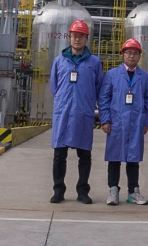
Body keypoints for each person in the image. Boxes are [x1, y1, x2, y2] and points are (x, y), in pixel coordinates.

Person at [49, 19, 103, 204]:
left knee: (84, 155)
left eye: (80, 36)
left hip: (83, 114)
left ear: (86, 38)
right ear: (69, 37)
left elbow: (99, 87)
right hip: (63, 113)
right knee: (59, 155)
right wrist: (64, 102)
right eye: (74, 35)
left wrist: (86, 103)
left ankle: (82, 191)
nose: (77, 39)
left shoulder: (94, 62)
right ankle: (58, 190)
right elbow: (54, 86)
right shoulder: (59, 61)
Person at [99, 38, 148, 206]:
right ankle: (113, 190)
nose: (131, 56)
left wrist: (145, 121)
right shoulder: (111, 75)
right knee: (114, 157)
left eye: (135, 53)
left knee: (133, 158)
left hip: (136, 122)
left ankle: (133, 191)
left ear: (139, 56)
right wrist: (105, 120)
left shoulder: (144, 77)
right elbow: (104, 98)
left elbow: (147, 100)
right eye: (128, 52)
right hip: (117, 122)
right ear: (123, 54)